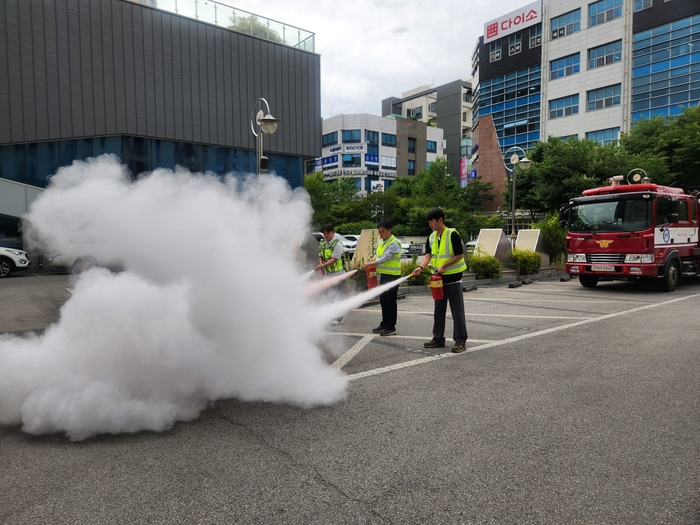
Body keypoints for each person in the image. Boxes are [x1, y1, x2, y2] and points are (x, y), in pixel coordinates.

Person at [411, 208, 468, 353]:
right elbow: (428, 256)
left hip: (453, 279)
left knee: (457, 311)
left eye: (432, 222)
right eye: (429, 222)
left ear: (440, 220)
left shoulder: (452, 234)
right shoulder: (431, 237)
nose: (430, 224)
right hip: (438, 280)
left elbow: (460, 255)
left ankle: (460, 340)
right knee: (438, 310)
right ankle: (438, 338)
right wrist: (420, 267)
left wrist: (445, 265)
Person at [361, 219, 402, 336]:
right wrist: (373, 258)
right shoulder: (381, 240)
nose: (380, 234)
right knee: (383, 300)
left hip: (393, 276)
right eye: (379, 232)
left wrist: (370, 264)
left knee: (390, 301)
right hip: (385, 275)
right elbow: (377, 254)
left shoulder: (394, 243)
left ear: (390, 230)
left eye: (383, 231)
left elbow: (385, 257)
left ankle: (391, 326)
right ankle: (384, 323)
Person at [315, 223, 346, 325]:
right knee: (330, 296)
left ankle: (339, 317)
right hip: (328, 275)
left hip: (338, 275)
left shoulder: (337, 244)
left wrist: (322, 266)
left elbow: (334, 259)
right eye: (324, 233)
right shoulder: (323, 244)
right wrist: (321, 265)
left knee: (337, 296)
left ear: (333, 233)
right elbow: (320, 256)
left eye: (328, 233)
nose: (326, 235)